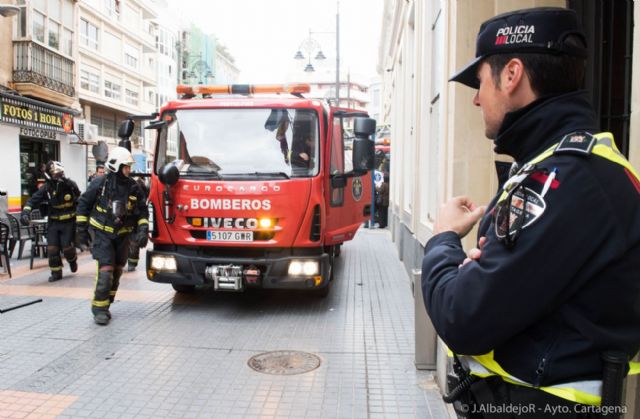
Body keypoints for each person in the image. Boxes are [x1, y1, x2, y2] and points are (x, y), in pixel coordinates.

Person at [421, 7, 640, 417]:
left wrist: (443, 239)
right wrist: (477, 272)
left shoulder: (566, 178)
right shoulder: (561, 168)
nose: (475, 97)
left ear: (511, 74)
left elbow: (463, 317)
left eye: (481, 80)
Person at [76, 147, 148, 325]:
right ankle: (99, 309)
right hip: (102, 234)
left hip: (122, 237)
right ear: (116, 166)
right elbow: (83, 204)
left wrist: (143, 230)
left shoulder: (133, 187)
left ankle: (106, 304)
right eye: (126, 166)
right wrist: (81, 230)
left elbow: (142, 211)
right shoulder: (100, 183)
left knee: (116, 272)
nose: (128, 170)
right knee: (106, 271)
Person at [21, 161, 81, 282]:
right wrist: (25, 213)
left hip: (68, 222)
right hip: (53, 223)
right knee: (52, 248)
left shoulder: (70, 185)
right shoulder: (46, 188)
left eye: (61, 173)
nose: (59, 176)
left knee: (67, 248)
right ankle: (56, 272)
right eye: (56, 174)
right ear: (49, 175)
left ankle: (72, 260)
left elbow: (81, 199)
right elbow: (32, 200)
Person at [126, 176, 149, 272]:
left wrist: (143, 230)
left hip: (135, 219)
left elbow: (143, 211)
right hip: (124, 220)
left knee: (134, 242)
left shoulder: (139, 192)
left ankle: (132, 263)